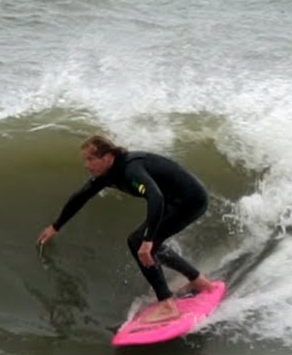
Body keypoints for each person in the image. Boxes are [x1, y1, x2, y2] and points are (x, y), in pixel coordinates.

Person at [37, 134, 214, 323]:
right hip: (175, 200)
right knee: (149, 244)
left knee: (140, 242)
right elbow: (81, 197)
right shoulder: (107, 174)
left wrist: (147, 241)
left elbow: (155, 197)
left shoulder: (131, 170)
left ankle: (167, 305)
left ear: (108, 157)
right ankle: (198, 281)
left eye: (91, 159)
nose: (86, 165)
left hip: (190, 200)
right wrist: (56, 227)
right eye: (85, 160)